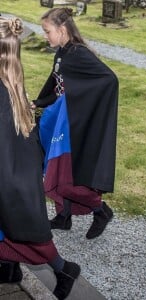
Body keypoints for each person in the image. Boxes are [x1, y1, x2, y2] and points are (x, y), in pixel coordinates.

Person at [0, 16, 80, 300]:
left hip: (10, 176)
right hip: (16, 171)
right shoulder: (11, 79)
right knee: (15, 228)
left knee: (30, 234)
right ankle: (9, 269)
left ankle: (64, 269)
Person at [31, 8, 119, 240]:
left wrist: (79, 104)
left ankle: (101, 211)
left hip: (71, 125)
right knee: (52, 168)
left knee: (64, 173)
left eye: (47, 31)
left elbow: (109, 79)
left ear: (62, 30)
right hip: (57, 121)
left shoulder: (79, 54)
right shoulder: (61, 53)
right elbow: (56, 85)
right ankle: (64, 215)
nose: (45, 36)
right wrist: (37, 102)